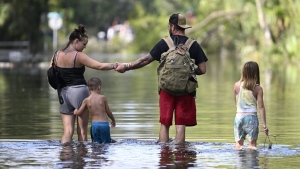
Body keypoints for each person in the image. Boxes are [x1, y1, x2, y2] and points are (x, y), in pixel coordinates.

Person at [115, 13, 208, 144]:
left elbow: (145, 60)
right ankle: (180, 155)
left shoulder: (164, 43)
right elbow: (203, 70)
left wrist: (126, 66)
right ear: (184, 27)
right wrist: (190, 71)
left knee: (165, 123)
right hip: (186, 90)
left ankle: (164, 154)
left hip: (166, 89)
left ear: (172, 27)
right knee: (180, 125)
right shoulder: (193, 44)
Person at [49, 24, 117, 144]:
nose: (84, 48)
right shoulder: (78, 56)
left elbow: (51, 72)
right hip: (79, 92)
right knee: (82, 131)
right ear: (76, 41)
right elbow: (99, 66)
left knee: (67, 132)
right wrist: (115, 65)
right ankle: (82, 159)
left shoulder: (56, 55)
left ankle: (66, 159)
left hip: (62, 94)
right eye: (84, 44)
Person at [233, 61, 269, 150]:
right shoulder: (258, 88)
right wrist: (264, 125)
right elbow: (261, 107)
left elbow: (236, 103)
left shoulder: (236, 85)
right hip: (251, 118)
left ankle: (240, 163)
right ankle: (252, 163)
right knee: (252, 147)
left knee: (238, 146)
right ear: (256, 73)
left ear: (243, 72)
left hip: (239, 117)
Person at [74, 77, 116, 144]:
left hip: (94, 126)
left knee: (95, 145)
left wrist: (75, 111)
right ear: (99, 87)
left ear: (88, 88)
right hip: (104, 125)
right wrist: (113, 120)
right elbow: (108, 112)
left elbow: (79, 113)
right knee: (106, 145)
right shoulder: (103, 98)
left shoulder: (86, 100)